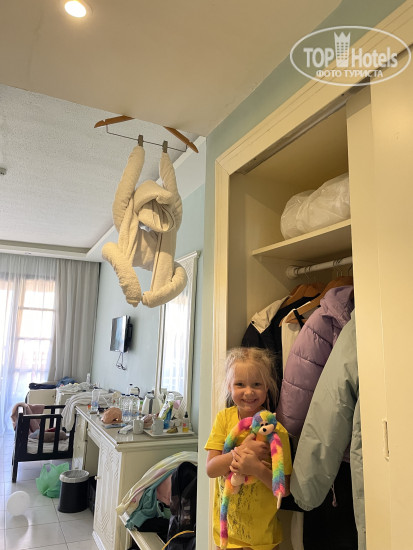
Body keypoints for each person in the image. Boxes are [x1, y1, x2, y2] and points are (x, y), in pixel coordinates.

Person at [205, 347, 292, 550]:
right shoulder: (224, 419)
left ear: (267, 386)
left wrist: (257, 469)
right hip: (227, 535)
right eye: (240, 384)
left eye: (256, 384)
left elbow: (285, 489)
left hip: (263, 539)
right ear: (229, 386)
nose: (249, 391)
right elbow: (211, 469)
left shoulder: (276, 431)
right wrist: (242, 451)